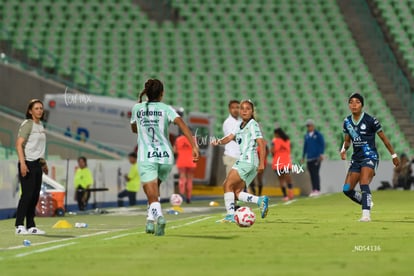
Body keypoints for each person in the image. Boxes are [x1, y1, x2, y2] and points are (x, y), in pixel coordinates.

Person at [130, 79, 199, 236]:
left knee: (150, 191)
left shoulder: (137, 108)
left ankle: (159, 217)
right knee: (154, 190)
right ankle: (149, 220)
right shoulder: (166, 109)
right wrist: (194, 145)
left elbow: (134, 129)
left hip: (147, 156)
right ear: (162, 94)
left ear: (146, 93)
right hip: (166, 156)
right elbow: (182, 124)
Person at [340, 93, 399, 222]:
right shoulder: (347, 122)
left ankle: (366, 215)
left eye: (357, 102)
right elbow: (347, 141)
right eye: (351, 102)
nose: (354, 104)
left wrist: (393, 155)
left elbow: (384, 139)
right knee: (346, 189)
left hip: (370, 156)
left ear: (362, 104)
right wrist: (344, 149)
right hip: (356, 158)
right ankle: (366, 201)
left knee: (364, 182)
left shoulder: (371, 120)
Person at [212, 100, 269, 223]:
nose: (243, 110)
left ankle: (230, 216)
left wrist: (262, 163)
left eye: (247, 108)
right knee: (236, 192)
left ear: (252, 111)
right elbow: (229, 137)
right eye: (242, 108)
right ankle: (260, 200)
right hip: (247, 161)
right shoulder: (239, 125)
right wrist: (219, 141)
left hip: (247, 160)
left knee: (227, 185)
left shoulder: (253, 124)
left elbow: (261, 143)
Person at [15, 99, 48, 235]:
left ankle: (31, 225)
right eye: (36, 108)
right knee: (27, 195)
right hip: (27, 163)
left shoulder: (40, 126)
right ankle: (19, 225)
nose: (39, 110)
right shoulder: (28, 124)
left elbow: (38, 148)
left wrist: (43, 163)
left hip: (36, 164)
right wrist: (22, 163)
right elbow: (18, 144)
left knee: (34, 196)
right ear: (30, 111)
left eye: (41, 108)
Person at [301, 119, 325, 197]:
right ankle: (314, 189)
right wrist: (303, 156)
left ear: (313, 126)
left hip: (316, 157)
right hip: (309, 158)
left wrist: (321, 154)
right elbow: (305, 146)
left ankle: (317, 189)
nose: (308, 127)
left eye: (309, 125)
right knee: (311, 174)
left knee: (315, 173)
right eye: (307, 126)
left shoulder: (318, 134)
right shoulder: (306, 136)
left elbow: (322, 144)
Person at [272, 128, 295, 201]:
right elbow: (289, 150)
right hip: (285, 161)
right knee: (288, 178)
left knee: (281, 179)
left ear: (277, 134)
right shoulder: (287, 140)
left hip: (278, 162)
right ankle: (290, 193)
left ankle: (285, 195)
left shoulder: (275, 141)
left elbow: (272, 151)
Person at [174, 132, 197, 203]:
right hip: (191, 162)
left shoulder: (178, 139)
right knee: (190, 179)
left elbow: (174, 150)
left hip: (181, 161)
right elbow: (196, 150)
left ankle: (181, 195)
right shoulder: (193, 139)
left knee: (182, 178)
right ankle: (188, 198)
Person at [222, 100, 241, 175]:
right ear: (229, 109)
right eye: (233, 108)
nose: (235, 110)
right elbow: (232, 137)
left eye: (237, 107)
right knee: (231, 184)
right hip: (232, 156)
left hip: (240, 157)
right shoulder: (228, 122)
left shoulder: (240, 121)